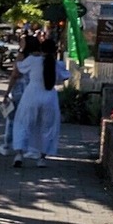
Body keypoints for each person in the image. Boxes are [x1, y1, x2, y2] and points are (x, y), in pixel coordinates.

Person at [11, 38, 71, 168]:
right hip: (49, 96)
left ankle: (19, 154)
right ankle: (42, 158)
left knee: (23, 123)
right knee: (47, 127)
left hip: (31, 94)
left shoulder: (33, 60)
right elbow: (65, 76)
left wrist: (23, 53)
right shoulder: (57, 64)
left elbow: (19, 67)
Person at [0, 34, 39, 156]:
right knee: (29, 119)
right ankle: (28, 147)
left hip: (19, 89)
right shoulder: (39, 57)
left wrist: (7, 92)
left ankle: (7, 145)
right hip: (32, 89)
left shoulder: (22, 56)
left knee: (13, 118)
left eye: (22, 41)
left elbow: (15, 74)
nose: (20, 43)